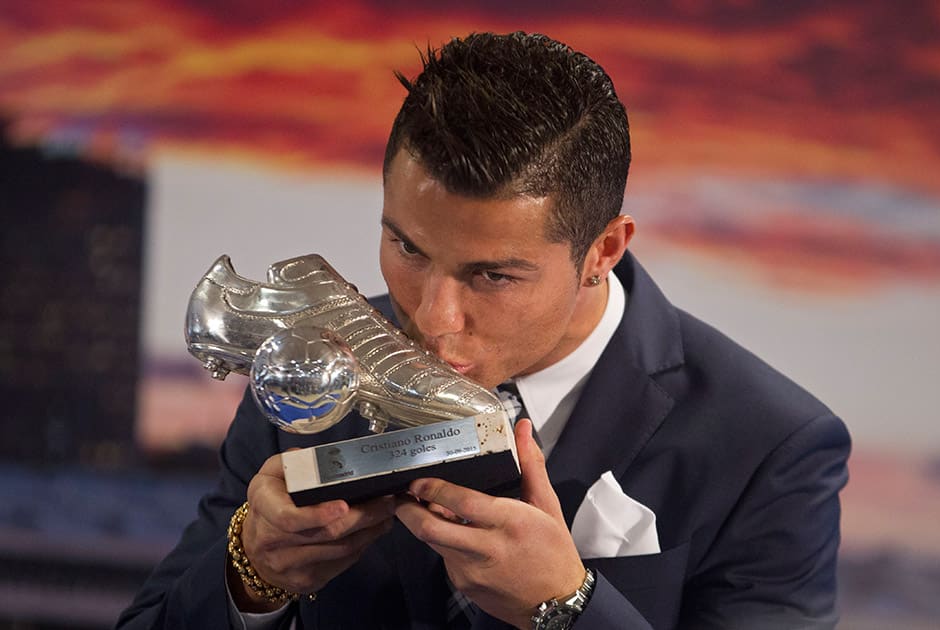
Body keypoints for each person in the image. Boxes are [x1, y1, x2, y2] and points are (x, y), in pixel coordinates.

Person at [117, 31, 850, 630]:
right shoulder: (312, 370)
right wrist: (251, 576)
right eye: (407, 248)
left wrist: (569, 609)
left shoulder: (772, 448)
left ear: (604, 250)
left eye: (492, 276)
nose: (432, 319)